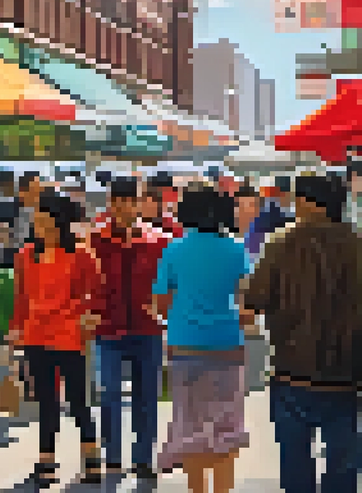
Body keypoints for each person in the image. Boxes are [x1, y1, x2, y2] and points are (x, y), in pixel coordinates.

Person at [243, 174, 362, 493]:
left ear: (309, 202)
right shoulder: (357, 245)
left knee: (295, 464)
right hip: (346, 374)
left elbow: (253, 301)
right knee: (343, 467)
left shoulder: (281, 243)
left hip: (291, 372)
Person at [152, 187, 253, 493]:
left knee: (190, 424)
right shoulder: (237, 250)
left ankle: (198, 489)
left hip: (184, 345)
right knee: (227, 426)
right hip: (227, 345)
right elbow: (247, 306)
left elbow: (160, 302)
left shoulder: (174, 249)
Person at [11, 191, 102, 488]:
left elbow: (97, 292)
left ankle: (91, 459)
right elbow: (21, 297)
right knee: (46, 401)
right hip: (36, 335)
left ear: (57, 219)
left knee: (78, 401)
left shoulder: (80, 254)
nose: (37, 221)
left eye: (43, 216)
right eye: (35, 217)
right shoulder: (26, 255)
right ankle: (46, 461)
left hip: (69, 335)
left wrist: (83, 314)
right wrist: (15, 331)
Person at [83, 177, 171, 480]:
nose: (123, 207)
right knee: (108, 394)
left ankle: (144, 457)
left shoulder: (159, 240)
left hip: (148, 329)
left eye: (129, 200)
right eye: (118, 201)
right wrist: (87, 311)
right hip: (107, 330)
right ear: (110, 203)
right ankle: (113, 455)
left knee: (147, 396)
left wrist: (163, 310)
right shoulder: (95, 240)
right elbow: (83, 282)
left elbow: (169, 284)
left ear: (140, 202)